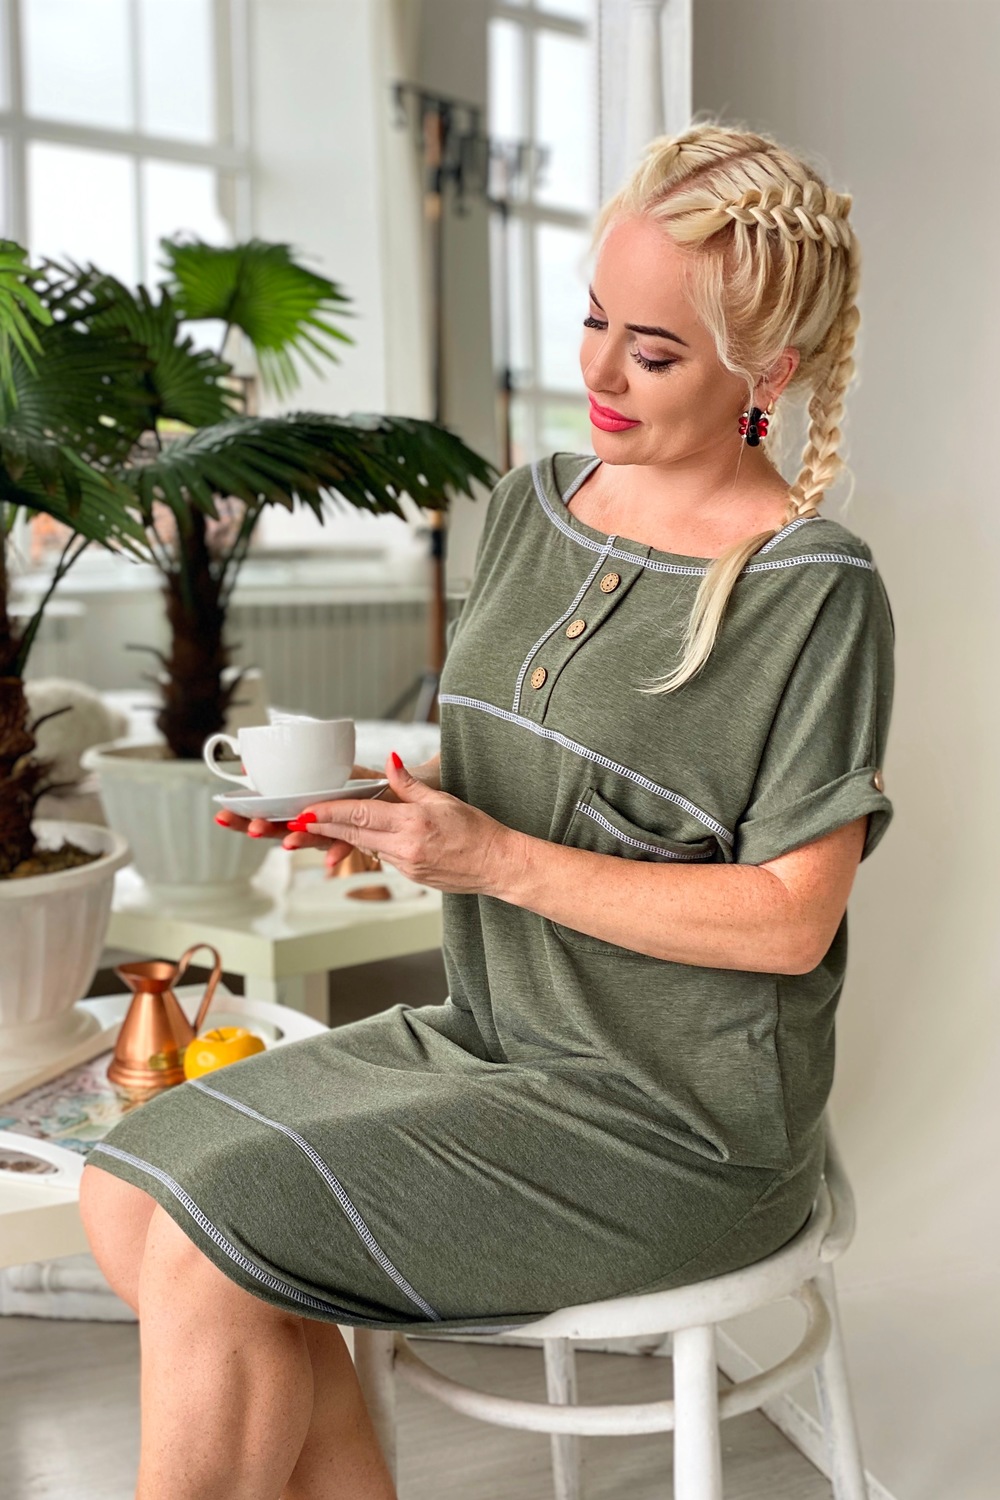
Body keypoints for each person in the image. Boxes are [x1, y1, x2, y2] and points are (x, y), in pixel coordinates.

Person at [79, 120, 895, 1500]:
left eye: (654, 353)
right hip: (488, 1043)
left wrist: (499, 860)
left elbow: (787, 925)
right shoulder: (530, 508)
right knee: (126, 1185)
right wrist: (386, 811)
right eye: (594, 321)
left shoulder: (811, 592)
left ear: (770, 372)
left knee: (215, 1241)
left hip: (671, 1131)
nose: (599, 374)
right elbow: (531, 787)